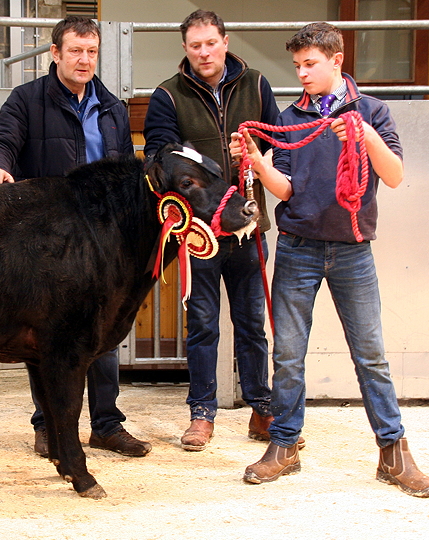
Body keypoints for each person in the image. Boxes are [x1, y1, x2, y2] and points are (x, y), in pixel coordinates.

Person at [233, 22, 429, 497]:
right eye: (298, 66)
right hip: (298, 247)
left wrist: (364, 137)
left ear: (336, 60)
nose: (302, 74)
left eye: (310, 64)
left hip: (353, 251)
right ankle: (283, 446)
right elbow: (287, 189)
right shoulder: (289, 118)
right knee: (287, 354)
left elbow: (395, 175)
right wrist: (262, 167)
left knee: (371, 356)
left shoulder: (371, 111)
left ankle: (394, 453)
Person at [0, 15, 151, 458]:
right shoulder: (27, 100)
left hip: (103, 244)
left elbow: (125, 172)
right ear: (55, 53)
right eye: (75, 51)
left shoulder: (112, 107)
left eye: (91, 52)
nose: (84, 60)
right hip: (48, 243)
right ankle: (48, 424)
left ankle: (107, 425)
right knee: (48, 339)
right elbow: (0, 142)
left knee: (104, 334)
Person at [143, 9, 284, 452]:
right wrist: (203, 166)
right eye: (194, 45)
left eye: (210, 42)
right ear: (185, 49)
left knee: (251, 324)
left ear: (225, 41)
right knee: (203, 325)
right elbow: (159, 155)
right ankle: (202, 414)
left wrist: (257, 154)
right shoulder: (167, 95)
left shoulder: (257, 84)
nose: (204, 52)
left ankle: (262, 408)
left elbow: (281, 140)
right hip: (199, 233)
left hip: (247, 226)